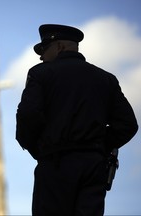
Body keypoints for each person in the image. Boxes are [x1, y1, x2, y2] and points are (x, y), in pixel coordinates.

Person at [16, 24, 138, 216]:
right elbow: (128, 124)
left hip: (55, 164)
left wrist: (39, 148)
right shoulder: (106, 79)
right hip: (93, 166)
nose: (41, 57)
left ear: (59, 47)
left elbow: (27, 115)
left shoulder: (41, 73)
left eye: (44, 49)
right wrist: (98, 146)